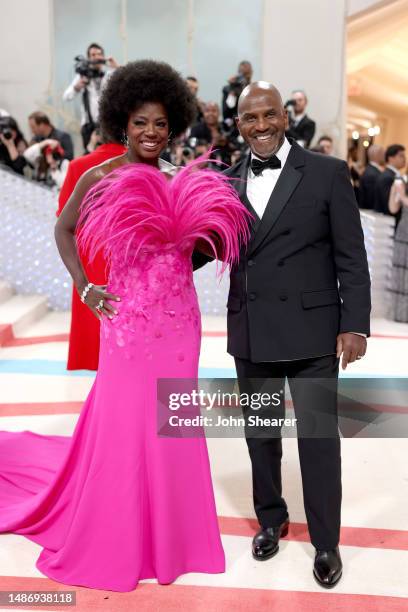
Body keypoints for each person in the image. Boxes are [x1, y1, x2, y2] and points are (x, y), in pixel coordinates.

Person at [0, 60, 251, 592]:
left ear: (174, 125)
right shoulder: (100, 175)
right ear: (122, 122)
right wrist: (86, 286)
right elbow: (64, 230)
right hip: (128, 325)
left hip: (180, 325)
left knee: (171, 426)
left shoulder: (176, 180)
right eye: (141, 122)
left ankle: (173, 536)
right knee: (125, 424)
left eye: (160, 123)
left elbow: (194, 252)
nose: (151, 133)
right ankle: (120, 529)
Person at [222, 82, 370, 588]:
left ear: (284, 116)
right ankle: (271, 518)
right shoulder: (224, 182)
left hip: (313, 332)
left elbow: (351, 255)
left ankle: (326, 542)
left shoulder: (327, 173)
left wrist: (355, 323)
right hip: (252, 328)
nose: (260, 127)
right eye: (249, 119)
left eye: (268, 116)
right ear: (237, 124)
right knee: (261, 436)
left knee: (319, 440)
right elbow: (206, 248)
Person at [57, 133, 127, 370]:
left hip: (90, 261)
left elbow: (64, 221)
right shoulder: (147, 164)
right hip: (130, 257)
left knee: (95, 344)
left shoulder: (79, 167)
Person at [63, 43, 118, 150]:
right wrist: (77, 87)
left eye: (99, 54)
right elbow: (66, 97)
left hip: (106, 125)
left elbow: (127, 82)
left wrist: (116, 67)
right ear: (88, 58)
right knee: (91, 158)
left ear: (103, 57)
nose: (97, 57)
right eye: (93, 55)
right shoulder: (83, 76)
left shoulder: (109, 75)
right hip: (89, 126)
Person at [389, 176, 408, 322]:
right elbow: (393, 208)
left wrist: (402, 196)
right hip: (403, 232)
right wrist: (394, 191)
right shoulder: (403, 182)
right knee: (400, 271)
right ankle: (401, 314)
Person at [375, 144, 406, 223]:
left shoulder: (394, 175)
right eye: (401, 156)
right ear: (391, 158)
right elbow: (389, 207)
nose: (405, 158)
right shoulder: (387, 177)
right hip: (389, 224)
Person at [222, 60, 253, 128]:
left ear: (251, 73)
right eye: (243, 73)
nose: (245, 77)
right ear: (238, 73)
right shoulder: (228, 89)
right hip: (235, 126)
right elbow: (226, 113)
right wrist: (232, 88)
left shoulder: (253, 89)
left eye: (247, 73)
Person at [359, 144, 385, 210]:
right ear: (377, 155)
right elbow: (371, 199)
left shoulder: (373, 171)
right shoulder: (372, 174)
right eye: (383, 154)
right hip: (372, 213)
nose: (385, 156)